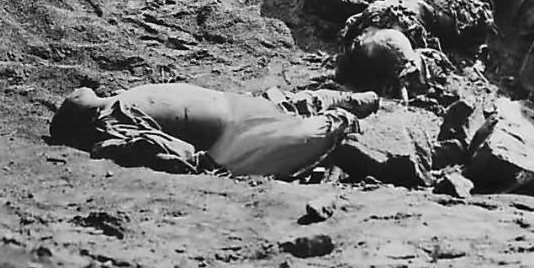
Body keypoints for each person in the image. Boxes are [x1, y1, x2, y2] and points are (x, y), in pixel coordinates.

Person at [50, 83, 378, 179]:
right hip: (233, 120)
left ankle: (341, 112)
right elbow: (161, 146)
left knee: (293, 118)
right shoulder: (120, 109)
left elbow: (162, 148)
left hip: (235, 121)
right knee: (292, 115)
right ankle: (339, 112)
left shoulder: (117, 111)